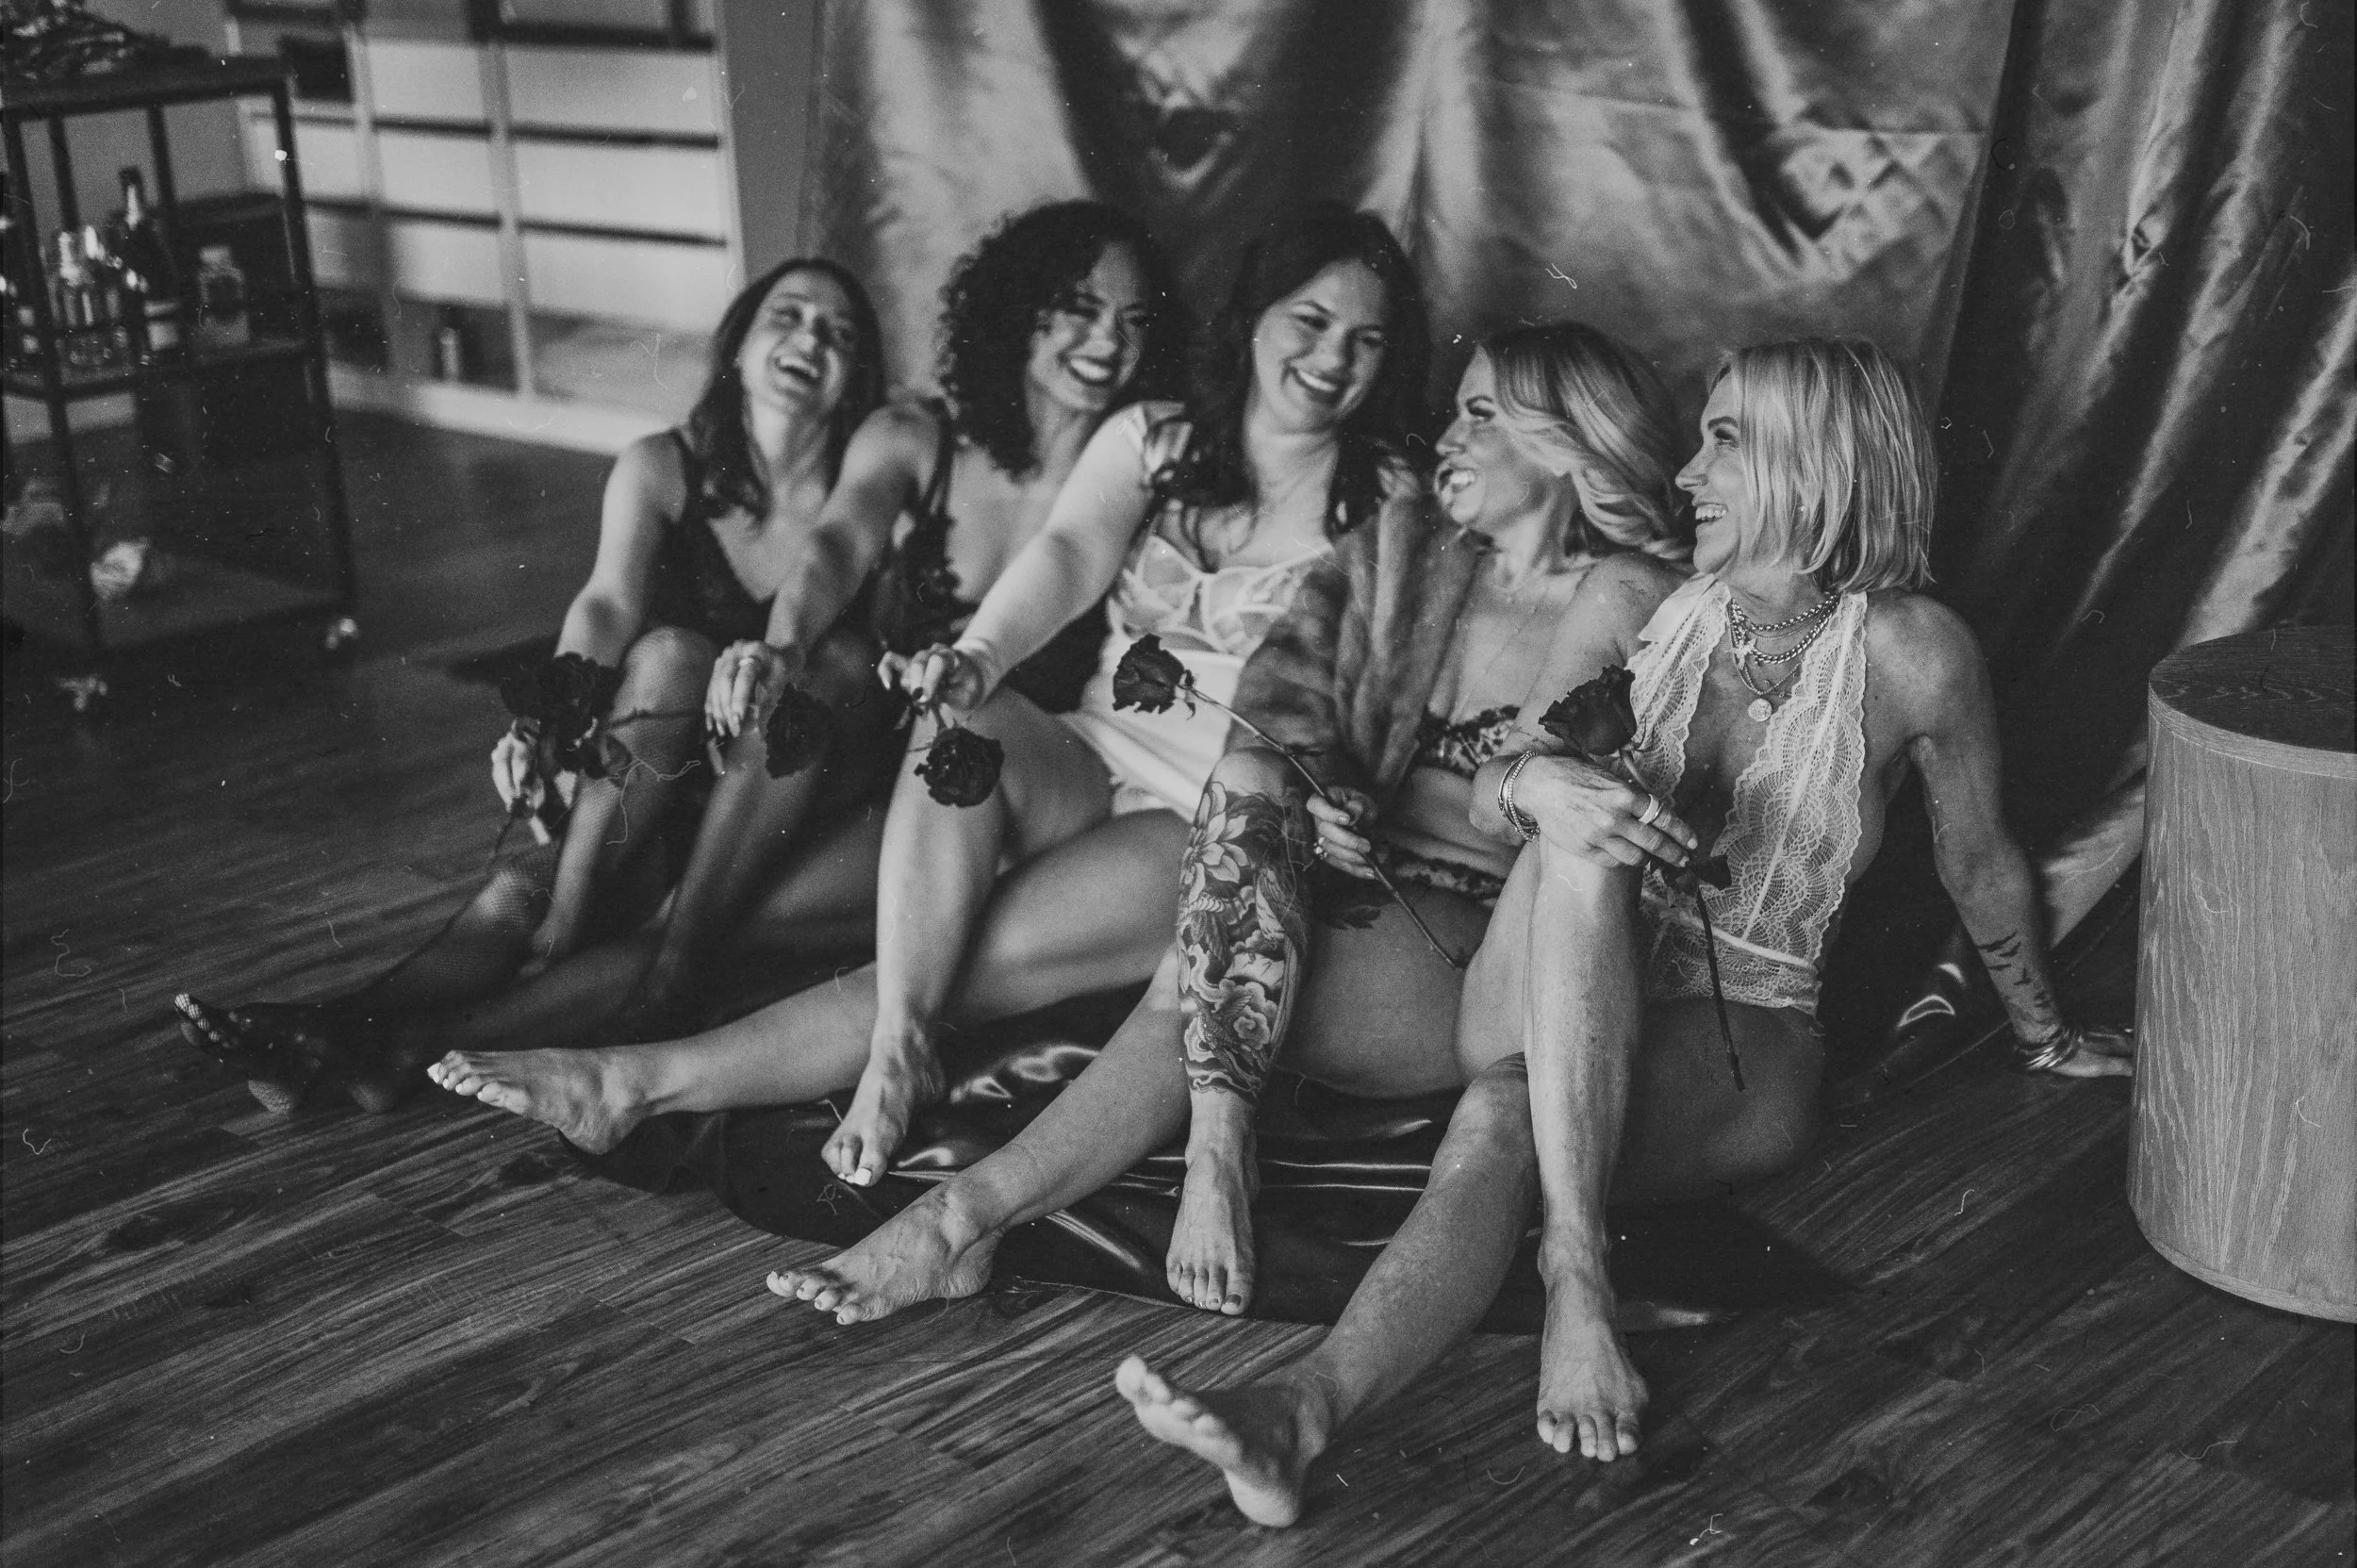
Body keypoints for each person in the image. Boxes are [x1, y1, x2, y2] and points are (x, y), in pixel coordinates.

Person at [764, 337, 2132, 1527]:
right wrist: (1534, 780)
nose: (1695, 470)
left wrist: (2045, 1027)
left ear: (1815, 460)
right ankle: (964, 1217)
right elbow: (1507, 775)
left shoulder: (1911, 651)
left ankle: (1335, 1398)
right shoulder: (1652, 604)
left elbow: (1981, 857)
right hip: (1525, 957)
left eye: (1725, 438)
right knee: (1242, 952)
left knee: (1502, 1103)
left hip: (1738, 1029)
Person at [428, 203, 1436, 1197]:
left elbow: (1386, 687)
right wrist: (976, 660)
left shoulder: (1388, 492)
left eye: (1366, 339)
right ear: (1255, 316)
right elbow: (1069, 553)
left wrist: (1333, 796)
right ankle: (890, 1046)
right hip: (1086, 753)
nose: (1333, 358)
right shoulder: (1155, 437)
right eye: (1310, 322)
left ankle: (635, 1085)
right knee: (959, 724)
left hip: (1203, 808)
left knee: (967, 955)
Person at [175, 256, 886, 1113]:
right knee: (662, 660)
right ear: (739, 343)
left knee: (534, 889)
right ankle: (329, 1027)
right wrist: (542, 724)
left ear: (854, 382)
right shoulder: (663, 464)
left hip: (778, 803)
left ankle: (399, 1039)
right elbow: (604, 603)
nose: (811, 338)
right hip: (666, 776)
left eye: (839, 334)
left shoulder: (867, 491)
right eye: (791, 314)